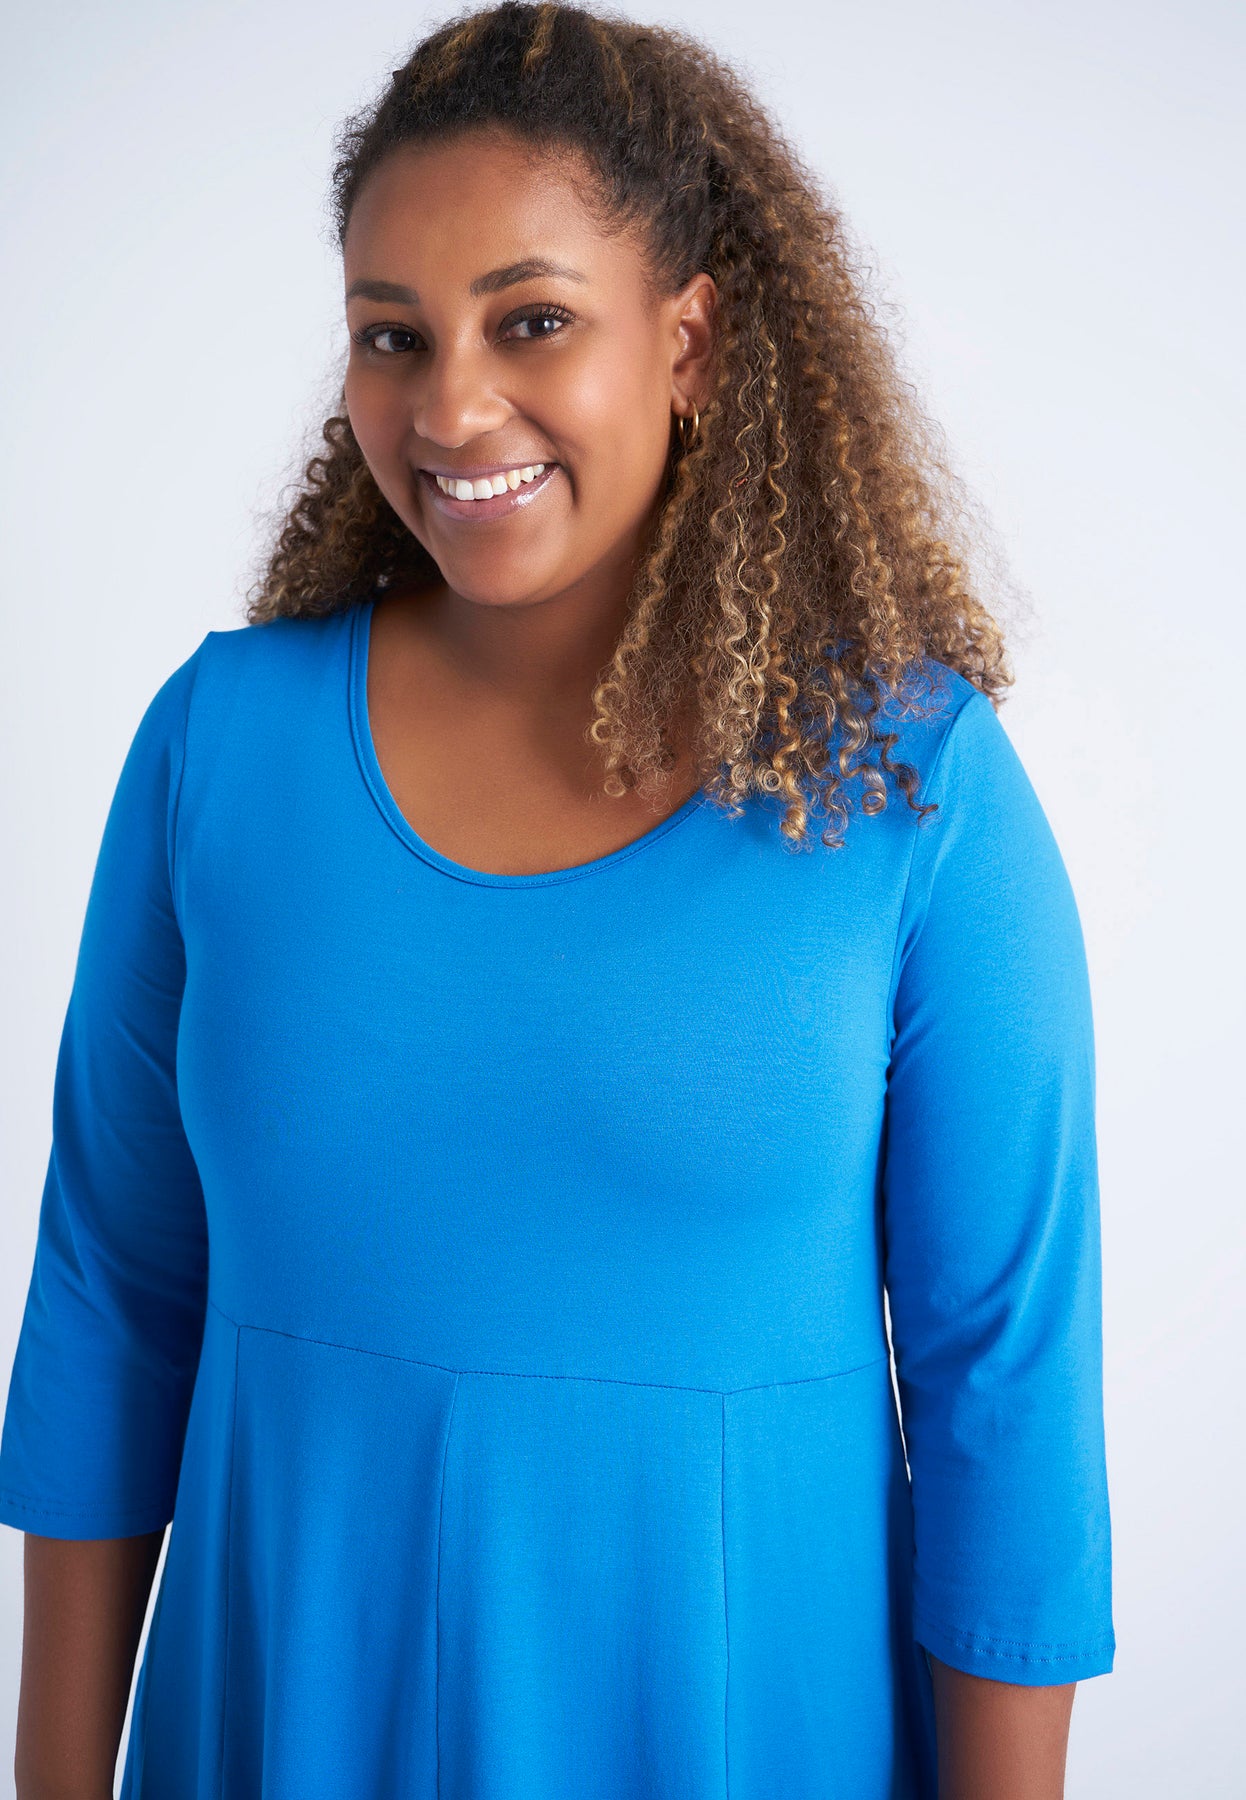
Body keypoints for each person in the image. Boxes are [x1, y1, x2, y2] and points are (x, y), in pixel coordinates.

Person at [0, 3, 1115, 1796]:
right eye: (393, 335)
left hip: (738, 1730)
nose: (449, 407)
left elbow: (1005, 1398)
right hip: (282, 1709)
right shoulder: (221, 747)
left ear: (691, 341)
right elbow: (113, 1298)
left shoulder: (912, 790)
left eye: (530, 320)